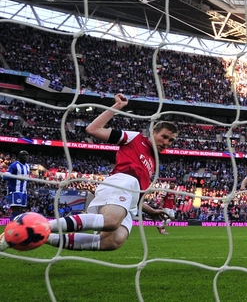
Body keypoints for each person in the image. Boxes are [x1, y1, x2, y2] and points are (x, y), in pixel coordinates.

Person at [1, 93, 175, 252]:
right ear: (153, 132)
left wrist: (150, 210)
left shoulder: (152, 161)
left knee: (112, 242)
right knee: (111, 222)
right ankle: (30, 226)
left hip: (131, 197)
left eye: (171, 140)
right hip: (122, 182)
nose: (166, 142)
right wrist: (117, 107)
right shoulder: (136, 138)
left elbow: (134, 195)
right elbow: (93, 130)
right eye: (164, 137)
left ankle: (41, 235)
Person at [4, 150, 31, 218]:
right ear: (19, 156)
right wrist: (17, 178)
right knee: (17, 210)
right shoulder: (14, 165)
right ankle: (13, 227)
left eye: (26, 155)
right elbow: (5, 177)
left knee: (21, 211)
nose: (25, 156)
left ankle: (18, 227)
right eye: (23, 155)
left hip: (24, 192)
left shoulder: (28, 166)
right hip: (15, 191)